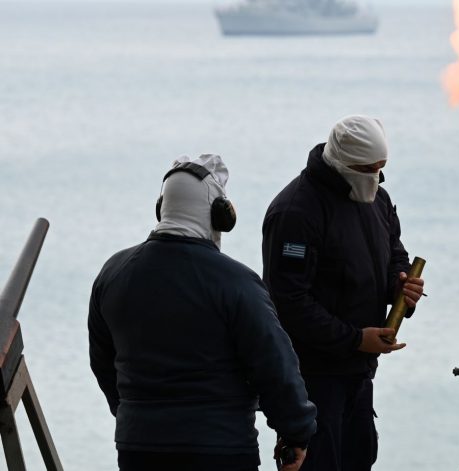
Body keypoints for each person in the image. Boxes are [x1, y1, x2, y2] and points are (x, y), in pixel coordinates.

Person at [88, 154, 317, 471]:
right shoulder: (238, 283)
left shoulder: (113, 274)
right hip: (220, 448)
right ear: (219, 215)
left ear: (162, 208)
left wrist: (133, 415)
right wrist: (296, 433)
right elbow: (274, 366)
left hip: (137, 447)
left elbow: (102, 361)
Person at [262, 116, 425, 471]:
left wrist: (400, 285)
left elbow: (394, 252)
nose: (375, 177)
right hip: (312, 378)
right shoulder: (296, 212)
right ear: (342, 162)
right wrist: (355, 339)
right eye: (368, 169)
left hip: (359, 373)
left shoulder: (378, 199)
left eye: (381, 168)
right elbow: (288, 302)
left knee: (359, 458)